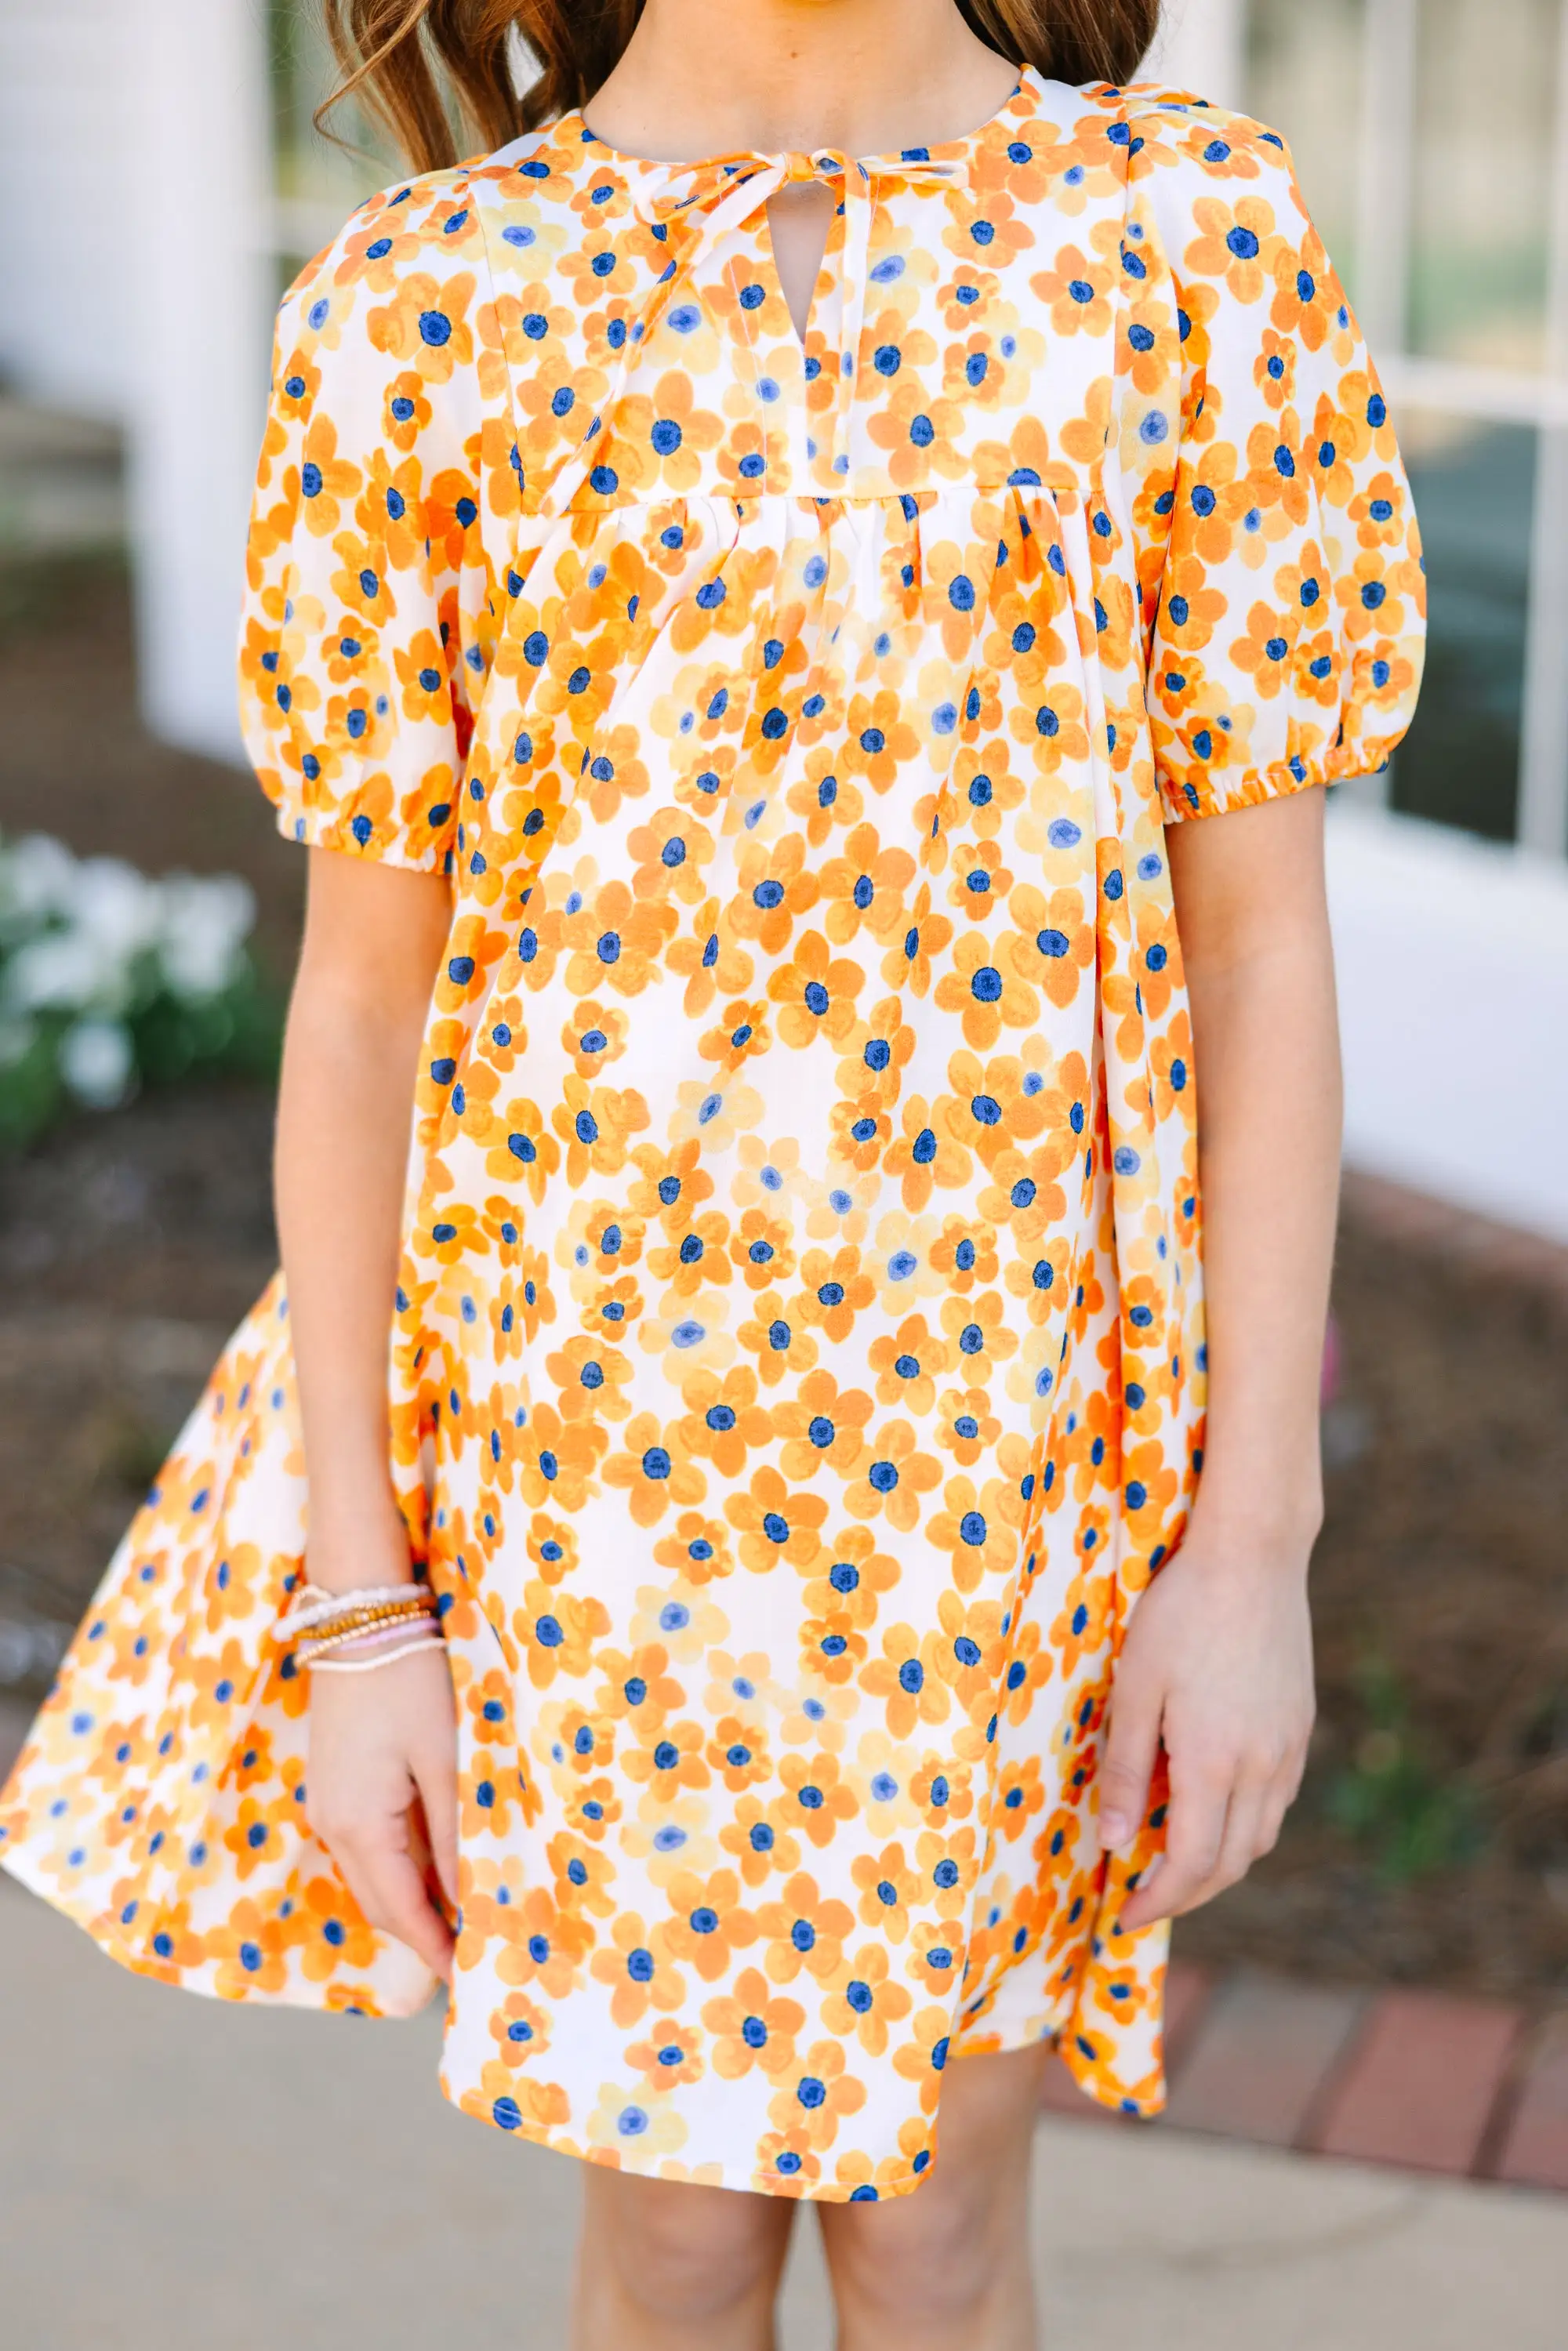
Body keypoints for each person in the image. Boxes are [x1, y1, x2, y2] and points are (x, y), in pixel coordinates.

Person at [0, 1, 1425, 2343]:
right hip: (600, 1491)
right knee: (668, 2235)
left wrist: (1248, 1536)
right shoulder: (427, 307)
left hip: (1006, 1473)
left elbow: (1259, 948)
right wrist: (369, 1614)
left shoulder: (1183, 242)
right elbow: (362, 1015)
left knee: (937, 2230)